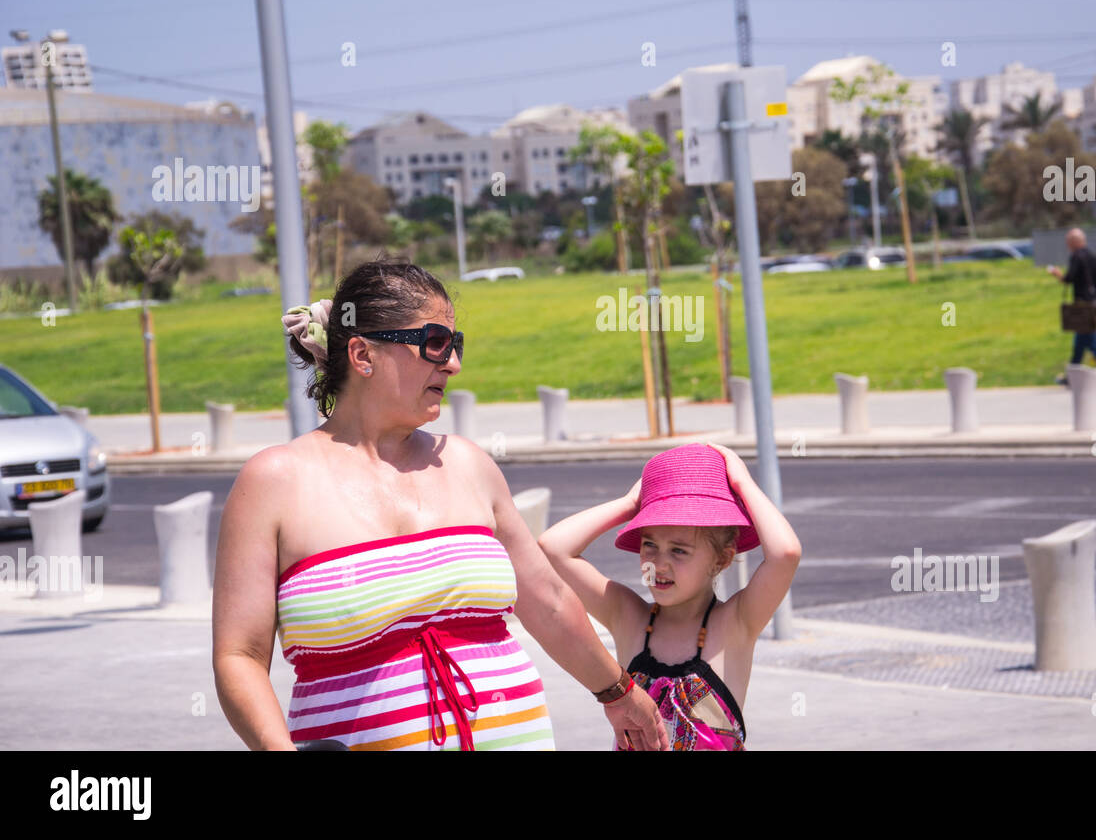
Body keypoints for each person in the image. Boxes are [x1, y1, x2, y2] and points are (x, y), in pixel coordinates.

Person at [212, 258, 669, 751]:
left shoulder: (468, 464)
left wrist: (619, 693)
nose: (452, 363)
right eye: (435, 343)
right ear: (363, 355)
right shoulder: (274, 481)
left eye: (456, 344)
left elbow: (549, 602)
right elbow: (239, 655)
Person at [538, 442, 801, 750]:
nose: (659, 563)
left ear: (722, 559)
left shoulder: (735, 622)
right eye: (649, 545)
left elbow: (785, 553)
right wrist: (630, 503)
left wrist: (742, 483)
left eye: (679, 550)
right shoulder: (628, 616)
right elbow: (552, 548)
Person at [1046, 228, 1096, 387]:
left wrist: (1057, 274)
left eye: (1068, 242)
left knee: (1091, 342)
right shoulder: (1095, 258)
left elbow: (1069, 279)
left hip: (1081, 305)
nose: (1067, 245)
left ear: (1075, 242)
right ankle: (1072, 376)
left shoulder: (1076, 257)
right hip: (1094, 304)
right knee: (1081, 343)